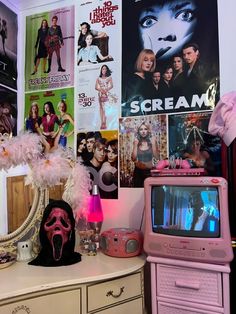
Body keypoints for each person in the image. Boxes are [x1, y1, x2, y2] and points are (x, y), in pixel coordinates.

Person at [122, 49, 156, 116]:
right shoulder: (133, 81)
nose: (149, 63)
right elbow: (129, 106)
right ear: (140, 61)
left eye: (151, 60)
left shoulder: (147, 80)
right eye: (145, 60)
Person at [131, 122, 159, 187]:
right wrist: (135, 145)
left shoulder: (152, 141)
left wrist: (154, 144)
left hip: (149, 171)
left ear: (148, 130)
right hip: (138, 171)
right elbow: (134, 158)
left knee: (150, 191)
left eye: (145, 129)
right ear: (138, 131)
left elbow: (157, 157)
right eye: (141, 129)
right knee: (137, 191)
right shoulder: (136, 141)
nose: (143, 131)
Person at [95, 64, 114, 129]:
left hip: (106, 93)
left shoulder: (109, 77)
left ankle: (104, 123)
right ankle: (101, 122)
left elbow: (111, 86)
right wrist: (100, 89)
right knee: (101, 108)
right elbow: (96, 87)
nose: (104, 70)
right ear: (101, 70)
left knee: (105, 108)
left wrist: (106, 90)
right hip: (100, 94)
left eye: (105, 69)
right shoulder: (98, 78)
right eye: (103, 69)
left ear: (107, 70)